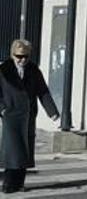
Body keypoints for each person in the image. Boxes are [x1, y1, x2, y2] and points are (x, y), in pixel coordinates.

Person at [0, 39, 60, 193]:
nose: (22, 60)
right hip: (11, 115)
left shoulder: (33, 70)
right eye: (19, 56)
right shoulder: (4, 69)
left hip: (28, 115)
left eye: (26, 56)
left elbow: (43, 91)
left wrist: (52, 112)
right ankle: (8, 183)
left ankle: (19, 183)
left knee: (25, 150)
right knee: (12, 150)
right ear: (12, 54)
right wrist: (2, 109)